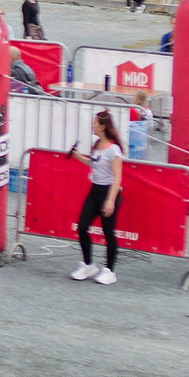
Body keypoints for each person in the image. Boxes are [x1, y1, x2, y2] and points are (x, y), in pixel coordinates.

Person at [70, 111, 126, 286]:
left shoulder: (114, 150)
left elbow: (117, 177)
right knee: (82, 227)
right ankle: (88, 265)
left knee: (108, 233)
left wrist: (110, 200)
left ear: (102, 126)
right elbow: (94, 163)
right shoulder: (97, 145)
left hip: (108, 192)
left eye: (95, 123)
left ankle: (110, 270)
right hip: (94, 191)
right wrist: (78, 156)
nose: (92, 125)